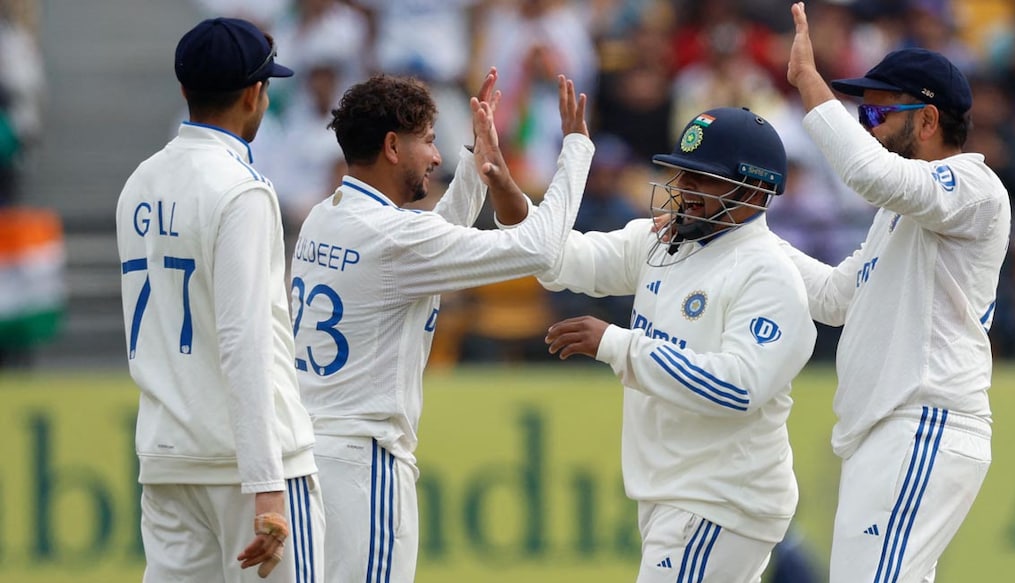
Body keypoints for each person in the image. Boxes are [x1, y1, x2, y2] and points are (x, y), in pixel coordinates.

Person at [289, 70, 592, 581]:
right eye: (429, 141)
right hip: (366, 463)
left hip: (310, 454)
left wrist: (480, 156)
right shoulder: (394, 239)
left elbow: (435, 240)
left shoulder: (326, 215)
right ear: (391, 146)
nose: (435, 157)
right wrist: (577, 149)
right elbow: (538, 247)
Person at [783, 4, 1011, 582]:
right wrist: (744, 237)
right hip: (894, 429)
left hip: (922, 419)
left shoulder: (975, 187)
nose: (869, 126)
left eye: (878, 111)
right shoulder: (900, 213)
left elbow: (867, 174)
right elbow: (836, 296)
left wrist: (812, 85)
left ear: (929, 120)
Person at [541, 106, 817, 582]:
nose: (682, 189)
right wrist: (510, 203)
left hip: (719, 500)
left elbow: (739, 388)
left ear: (753, 191)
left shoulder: (768, 274)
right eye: (682, 174)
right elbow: (566, 261)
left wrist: (616, 344)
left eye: (703, 179)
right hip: (682, 492)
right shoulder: (665, 241)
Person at [115, 17, 323, 582]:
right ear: (256, 93)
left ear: (185, 89)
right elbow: (244, 341)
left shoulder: (140, 182)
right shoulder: (242, 190)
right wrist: (266, 483)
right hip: (246, 465)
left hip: (167, 458)